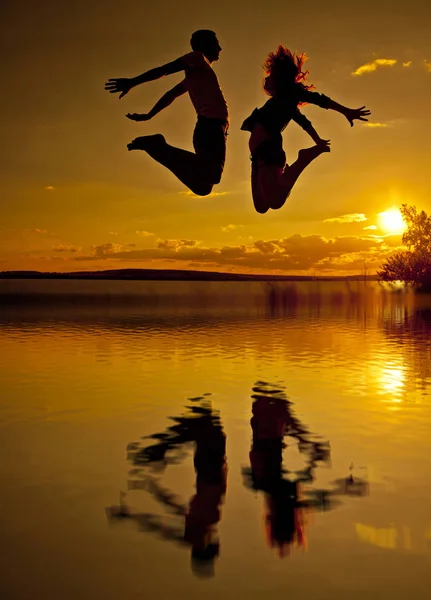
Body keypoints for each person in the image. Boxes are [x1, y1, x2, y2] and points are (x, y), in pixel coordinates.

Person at [241, 46, 371, 214]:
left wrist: (346, 111)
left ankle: (303, 159)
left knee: (275, 201)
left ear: (279, 79)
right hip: (258, 156)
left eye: (270, 76)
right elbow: (303, 122)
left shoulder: (290, 93)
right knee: (261, 206)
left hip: (269, 151)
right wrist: (317, 141)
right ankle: (302, 158)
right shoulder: (281, 103)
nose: (266, 80)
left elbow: (320, 100)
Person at [105, 30, 229, 196]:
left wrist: (150, 114)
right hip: (210, 127)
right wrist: (133, 82)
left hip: (211, 128)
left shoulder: (199, 72)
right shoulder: (196, 58)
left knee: (203, 188)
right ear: (205, 45)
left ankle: (157, 148)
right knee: (212, 175)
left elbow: (172, 94)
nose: (220, 48)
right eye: (215, 43)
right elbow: (165, 69)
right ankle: (159, 145)